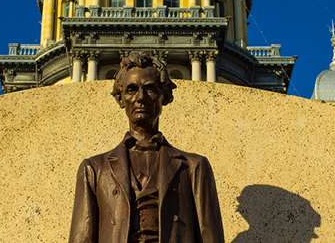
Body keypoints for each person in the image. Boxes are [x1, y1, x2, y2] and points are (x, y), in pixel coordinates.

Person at [68, 52, 223, 243]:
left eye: (150, 89)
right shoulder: (94, 169)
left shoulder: (194, 167)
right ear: (120, 98)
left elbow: (211, 237)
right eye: (131, 90)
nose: (140, 98)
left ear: (165, 96)